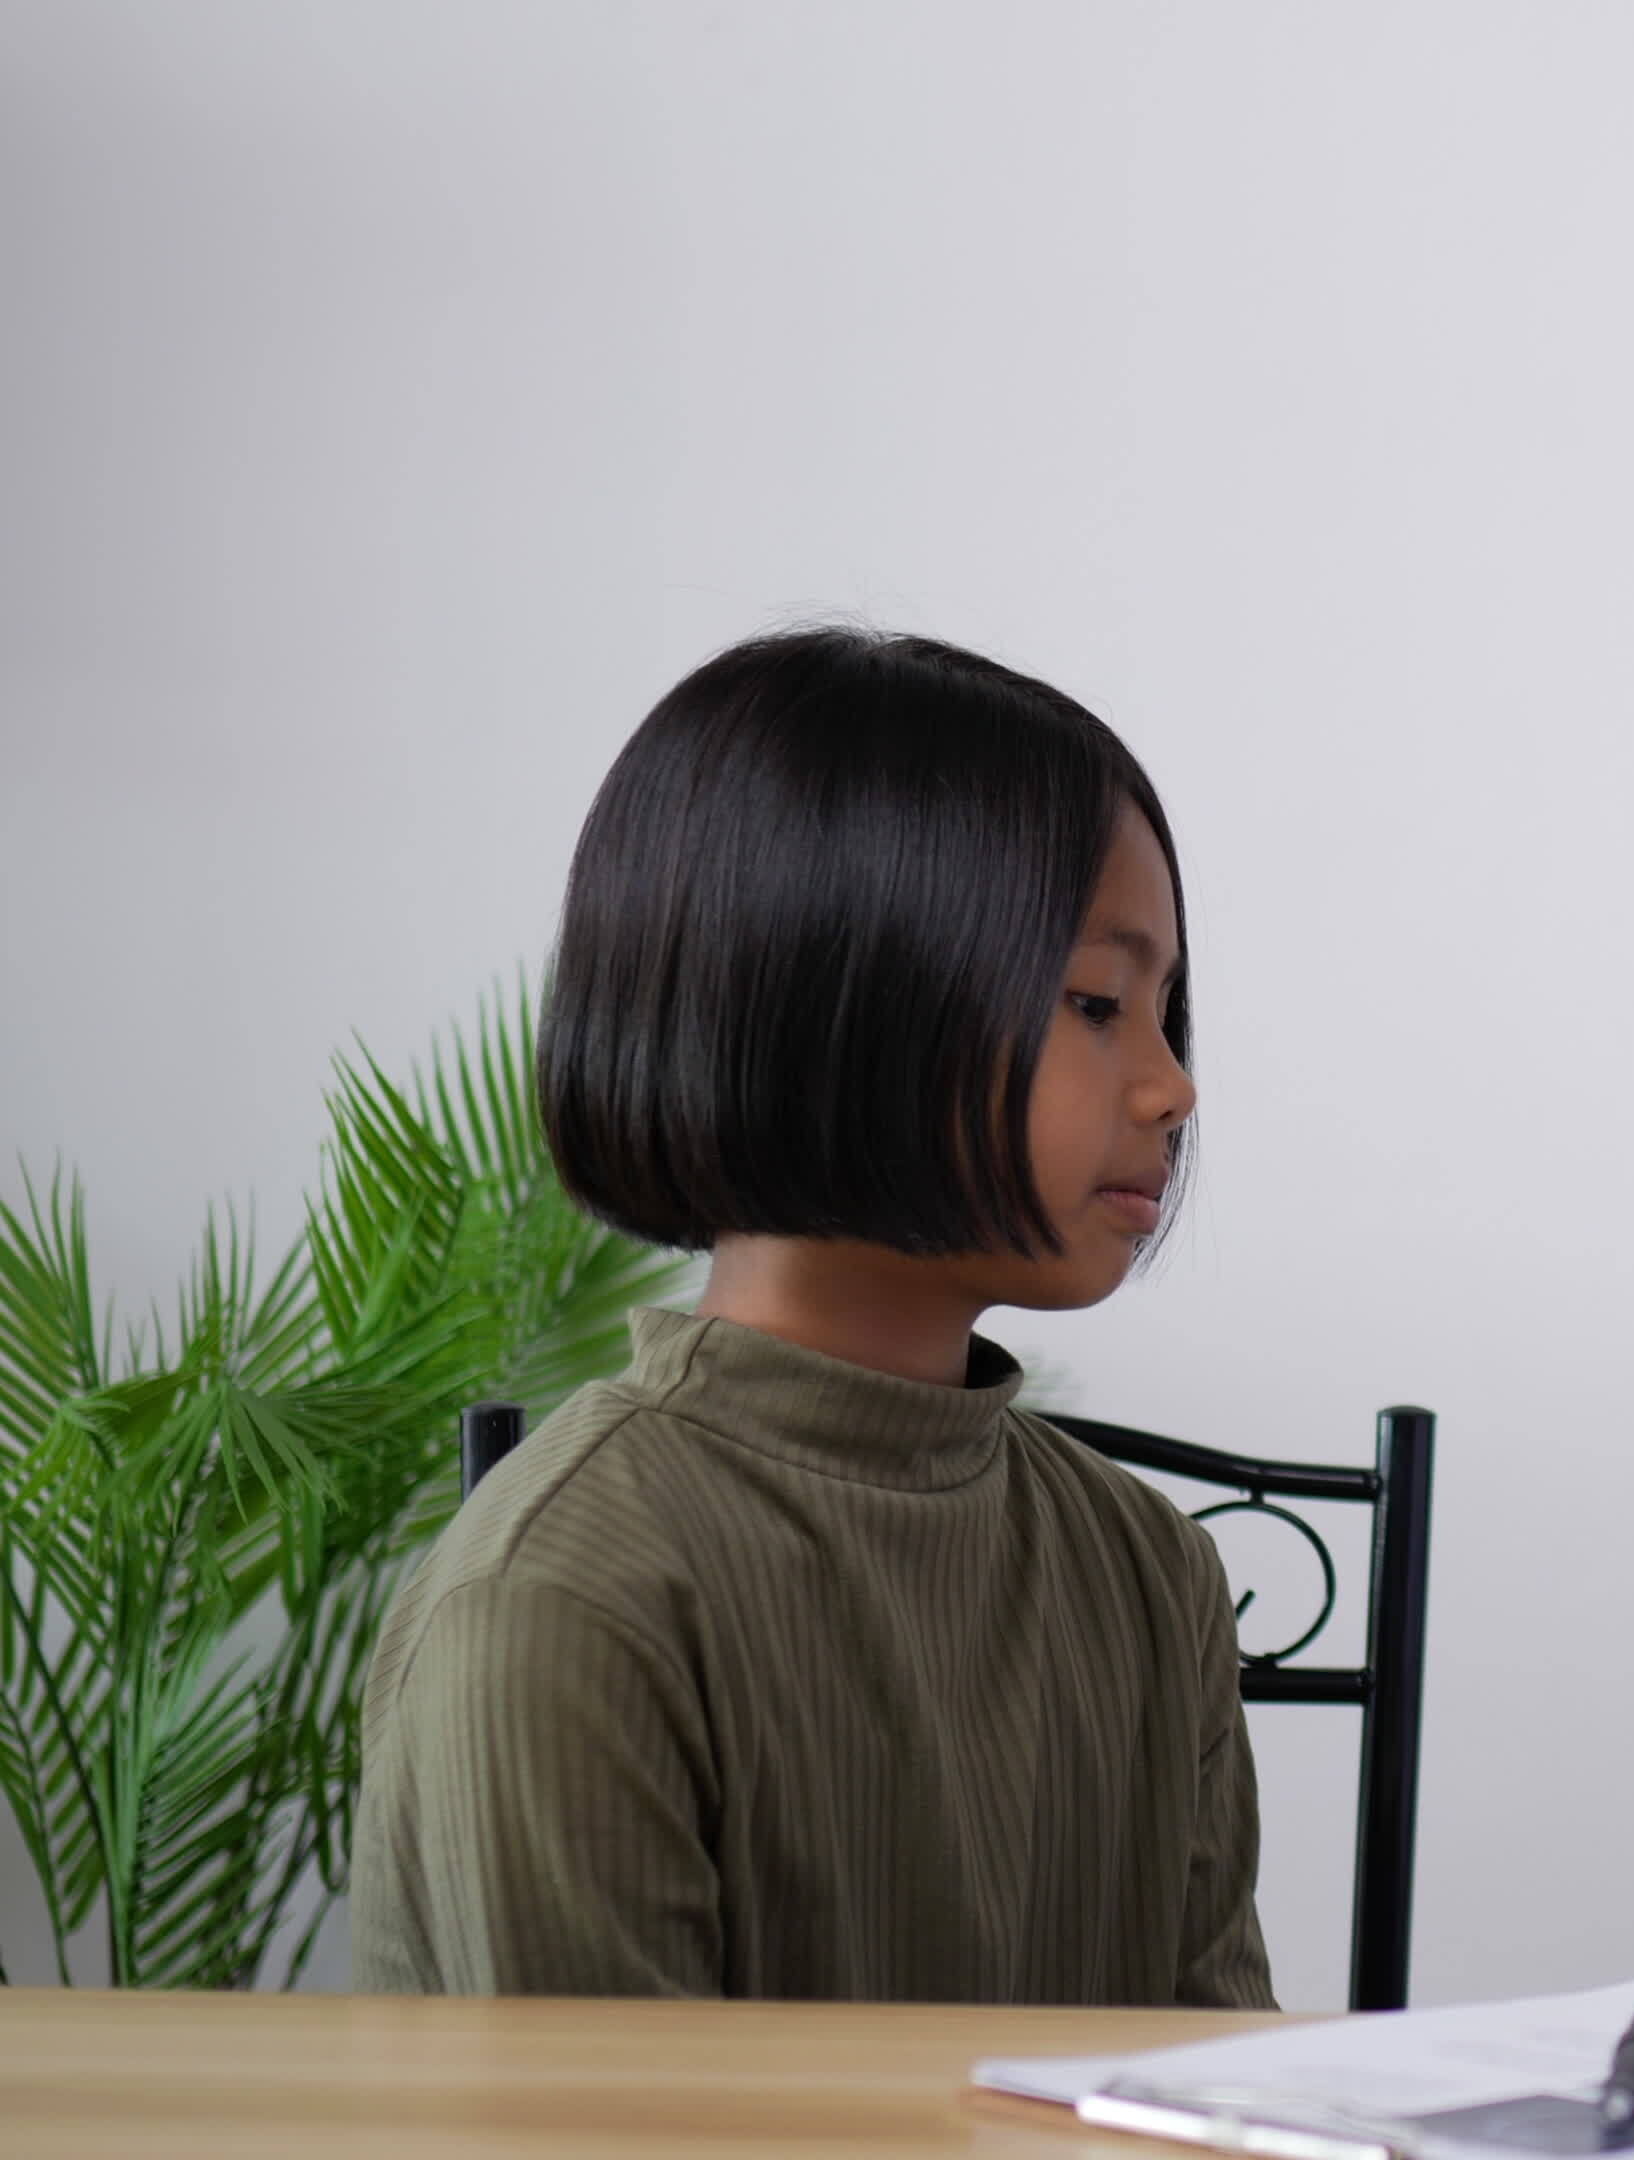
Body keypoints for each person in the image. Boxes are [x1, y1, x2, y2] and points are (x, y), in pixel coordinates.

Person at [352, 628, 1273, 2006]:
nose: (1169, 1087)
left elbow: (1223, 2090)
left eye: (1163, 1010)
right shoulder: (566, 1600)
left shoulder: (1149, 1573)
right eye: (1094, 1001)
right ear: (839, 1005)